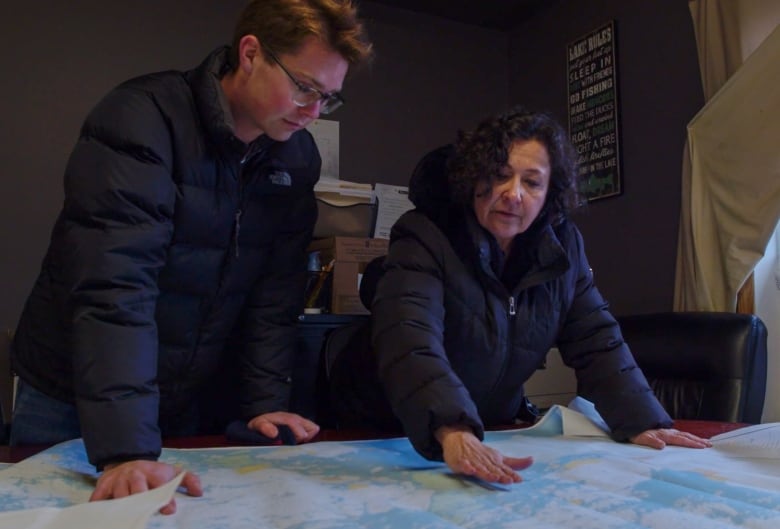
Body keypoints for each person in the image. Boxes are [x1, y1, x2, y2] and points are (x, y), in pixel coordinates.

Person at [10, 0, 373, 513]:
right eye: (304, 87)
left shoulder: (295, 156)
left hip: (177, 394)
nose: (313, 111)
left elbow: (273, 295)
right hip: (71, 390)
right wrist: (127, 449)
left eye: (328, 98)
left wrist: (264, 403)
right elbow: (118, 287)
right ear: (250, 53)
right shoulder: (142, 119)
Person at [329, 106, 711, 486]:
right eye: (499, 176)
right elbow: (410, 339)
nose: (514, 195)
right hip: (380, 428)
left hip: (490, 428)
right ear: (472, 179)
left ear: (550, 193)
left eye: (532, 182)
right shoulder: (427, 234)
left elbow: (596, 339)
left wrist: (642, 421)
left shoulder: (563, 247)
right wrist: (451, 428)